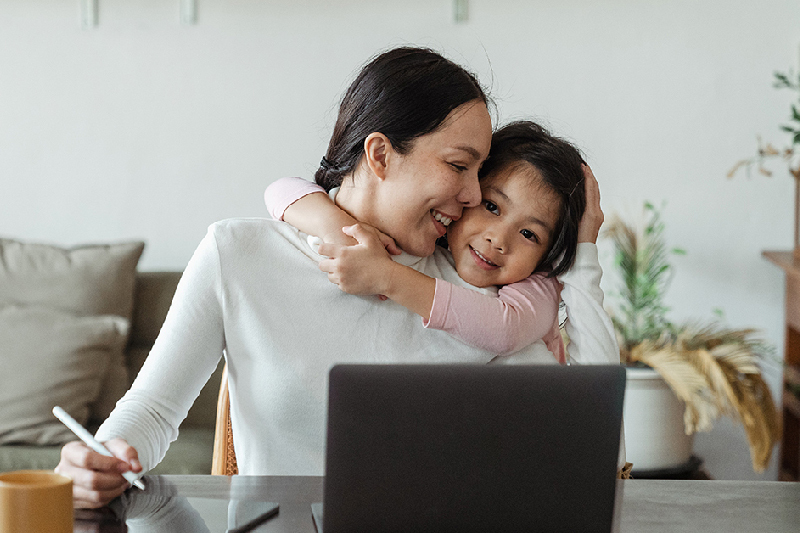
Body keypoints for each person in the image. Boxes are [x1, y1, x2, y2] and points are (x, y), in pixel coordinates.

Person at [56, 46, 620, 508]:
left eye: (480, 172)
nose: (473, 196)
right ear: (380, 154)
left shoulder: (481, 290)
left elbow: (587, 444)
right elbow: (153, 412)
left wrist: (585, 254)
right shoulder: (239, 254)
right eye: (458, 166)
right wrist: (101, 456)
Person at [265, 121, 597, 362]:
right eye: (492, 206)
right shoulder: (430, 241)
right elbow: (281, 189)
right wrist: (339, 229)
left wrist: (387, 277)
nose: (499, 239)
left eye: (529, 234)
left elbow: (505, 330)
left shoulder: (539, 285)